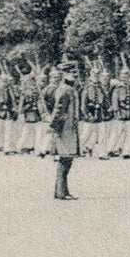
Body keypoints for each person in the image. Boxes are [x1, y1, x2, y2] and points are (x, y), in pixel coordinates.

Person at [49, 60, 80, 200]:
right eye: (72, 72)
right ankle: (60, 192)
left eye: (75, 72)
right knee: (65, 158)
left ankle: (62, 191)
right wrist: (53, 126)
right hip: (64, 128)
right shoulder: (64, 90)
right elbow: (58, 110)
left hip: (70, 128)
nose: (75, 75)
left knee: (68, 159)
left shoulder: (70, 88)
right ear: (65, 74)